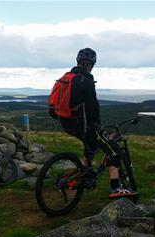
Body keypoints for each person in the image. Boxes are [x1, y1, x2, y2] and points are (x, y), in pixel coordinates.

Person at [57, 48, 137, 198]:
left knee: (91, 146)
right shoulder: (86, 79)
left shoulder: (67, 77)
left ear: (77, 61)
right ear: (92, 65)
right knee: (114, 151)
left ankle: (85, 174)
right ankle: (115, 187)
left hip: (67, 124)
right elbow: (93, 106)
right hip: (85, 125)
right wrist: (98, 126)